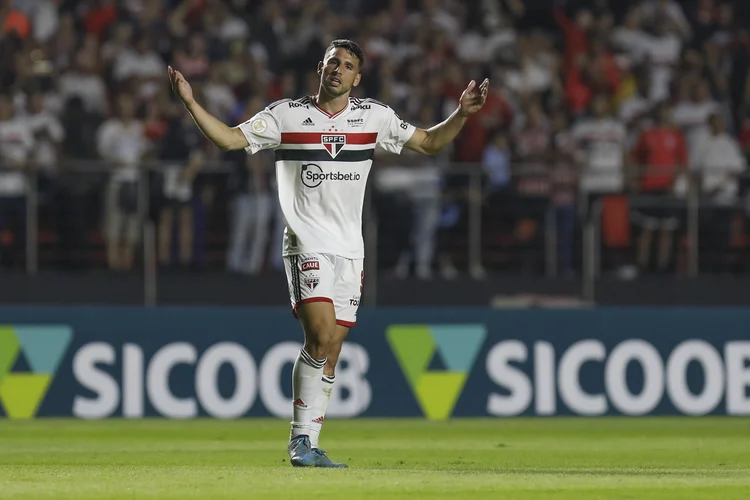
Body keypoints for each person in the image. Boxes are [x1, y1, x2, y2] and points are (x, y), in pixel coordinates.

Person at [168, 39, 489, 468]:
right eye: (333, 61)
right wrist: (191, 102)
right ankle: (298, 442)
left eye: (348, 65)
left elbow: (429, 143)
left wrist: (462, 114)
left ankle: (309, 444)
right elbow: (228, 140)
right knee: (319, 336)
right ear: (320, 68)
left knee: (332, 349)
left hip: (349, 251)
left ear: (358, 77)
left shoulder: (373, 116)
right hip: (306, 243)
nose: (339, 69)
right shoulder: (285, 115)